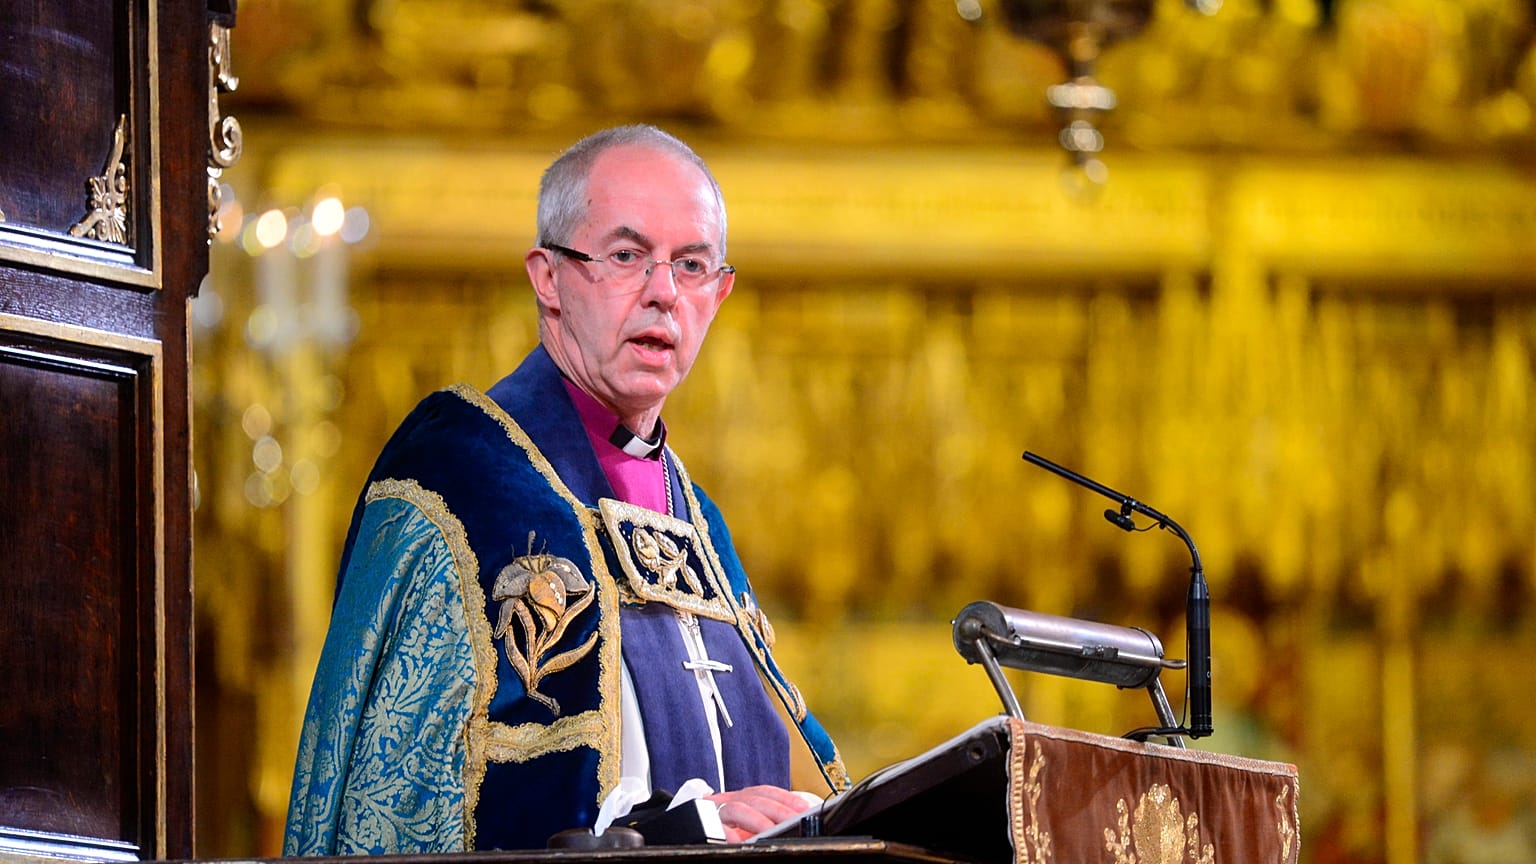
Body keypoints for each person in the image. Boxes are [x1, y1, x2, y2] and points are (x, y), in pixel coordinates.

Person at [283, 125, 848, 855]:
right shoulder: (458, 476)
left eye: (693, 265)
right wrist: (689, 829)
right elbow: (408, 799)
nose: (664, 294)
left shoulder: (694, 517)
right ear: (548, 278)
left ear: (721, 292)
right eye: (627, 256)